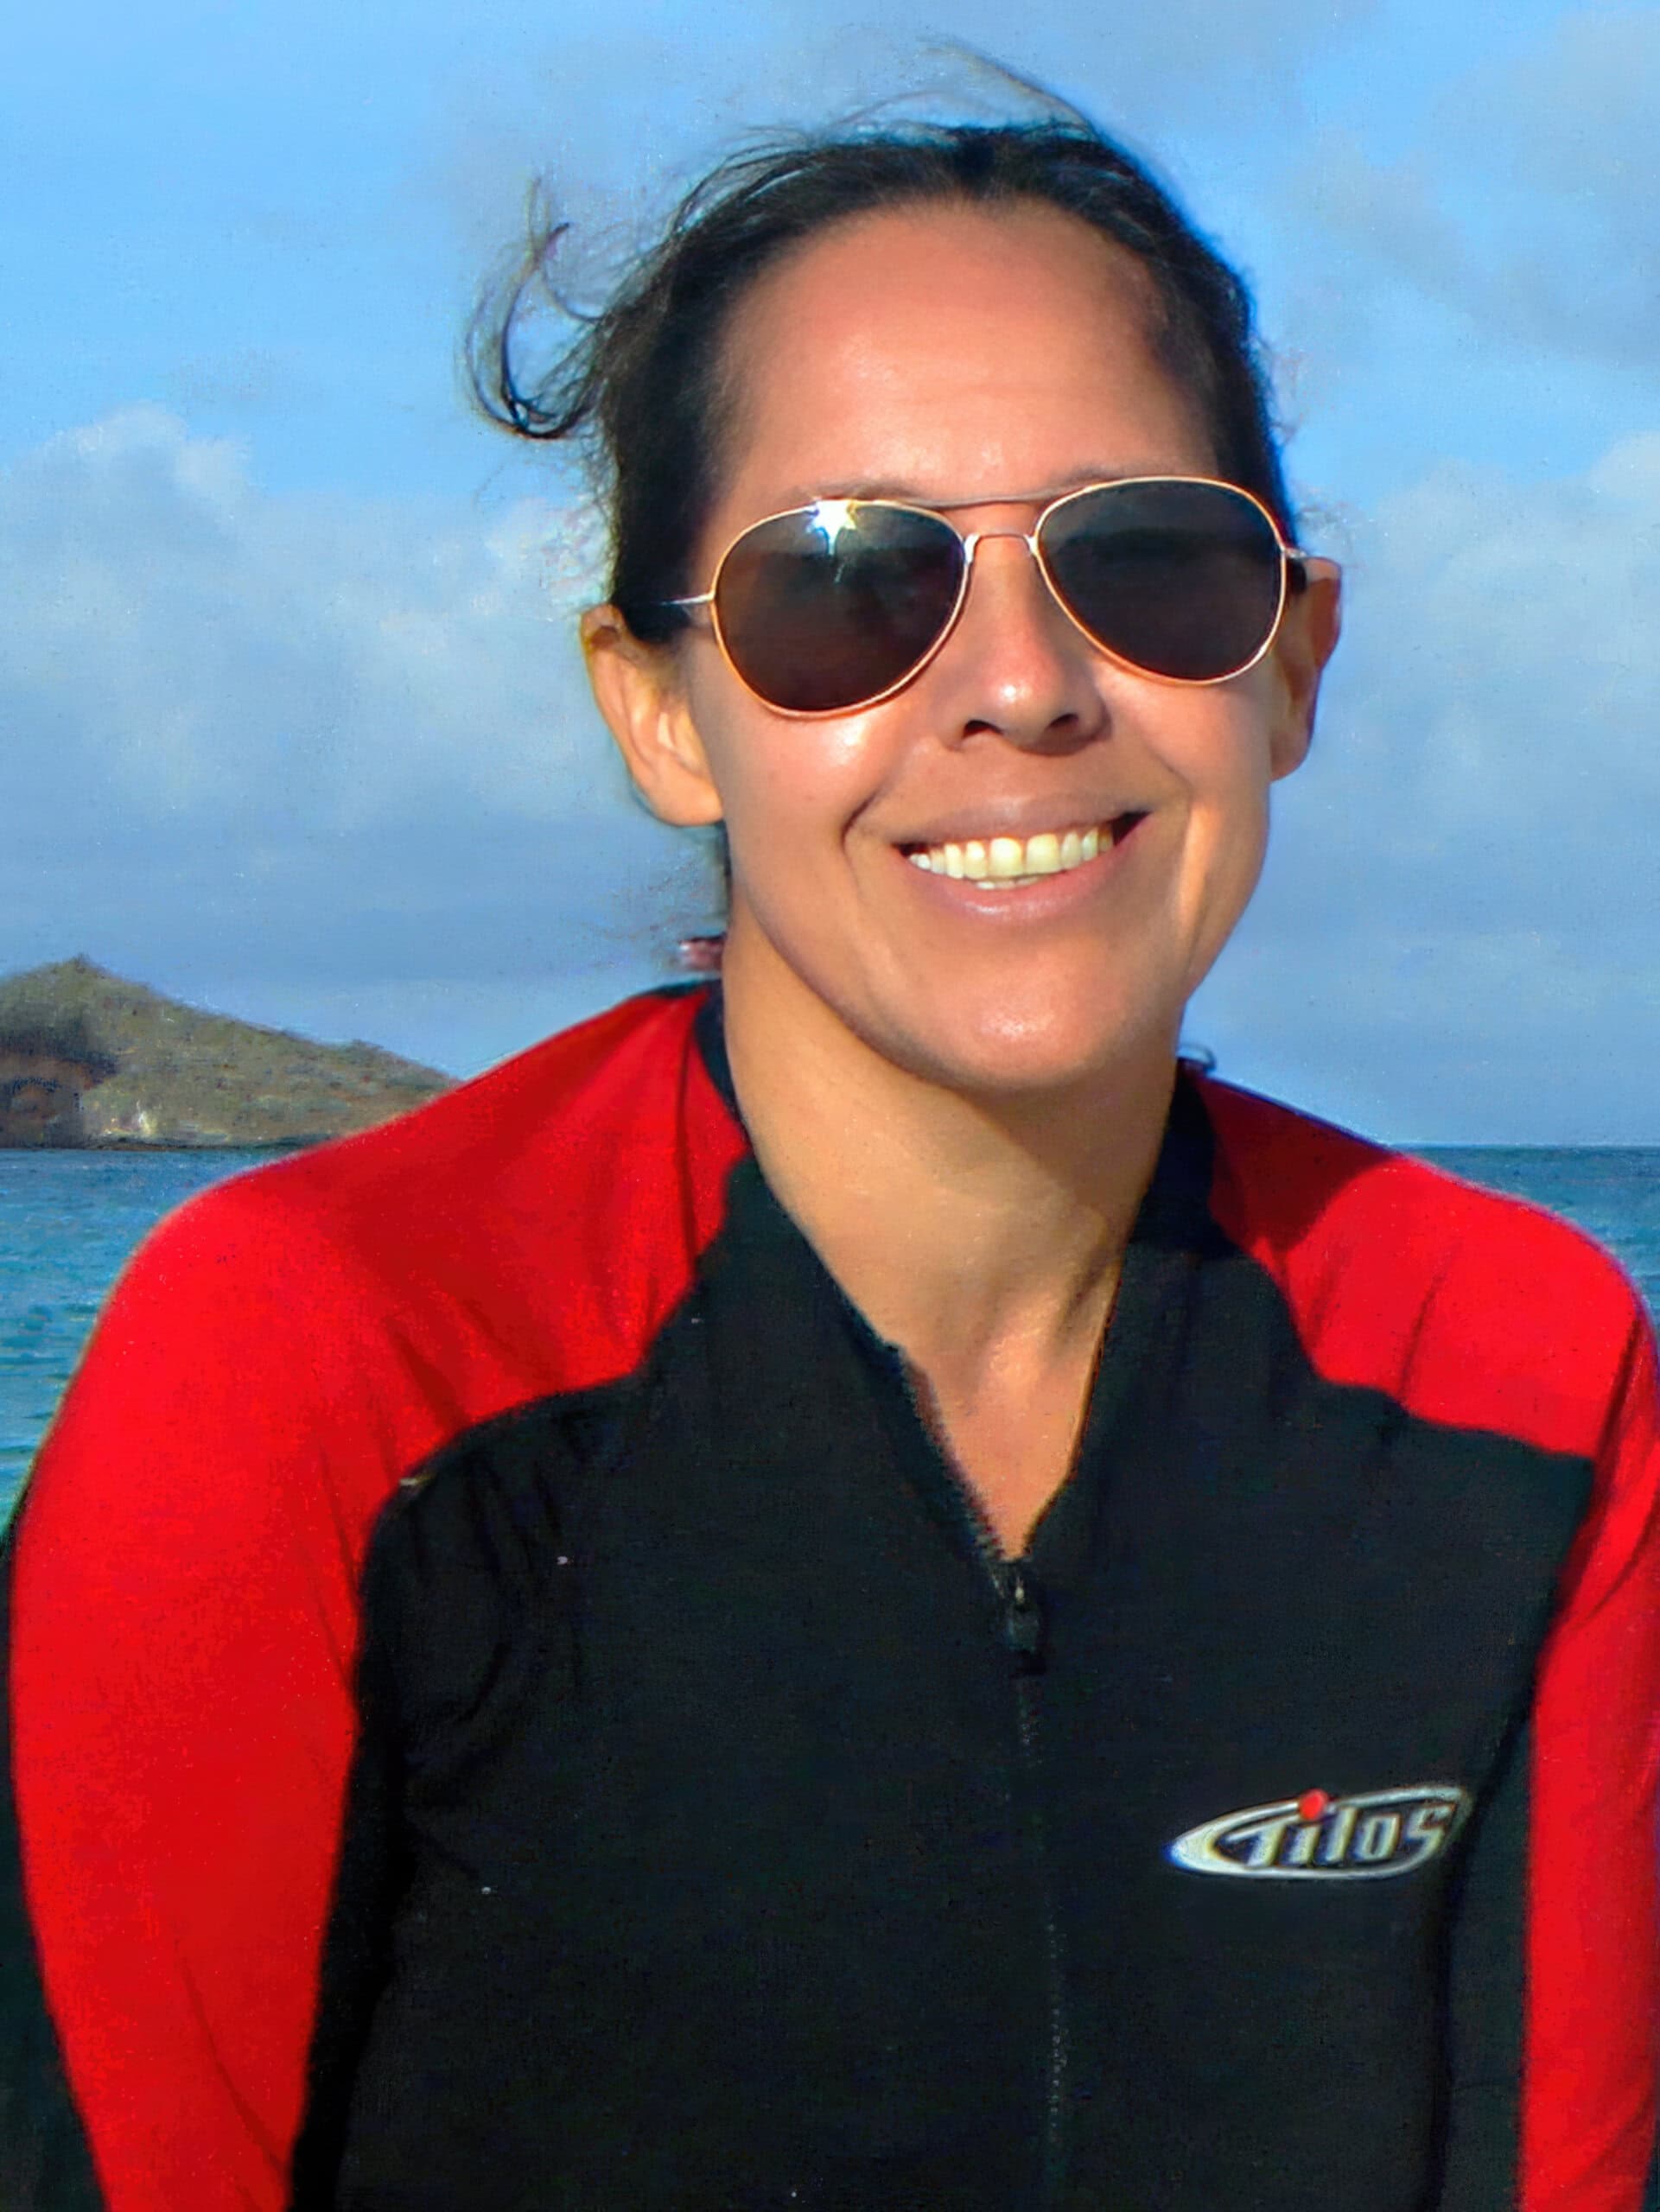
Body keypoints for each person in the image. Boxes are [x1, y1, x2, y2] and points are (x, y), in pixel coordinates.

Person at [3, 97, 1657, 2212]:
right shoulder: (328, 1358)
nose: (1021, 687)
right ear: (657, 706)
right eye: (846, 585)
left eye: (1145, 563)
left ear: (1290, 658)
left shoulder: (1513, 1374)